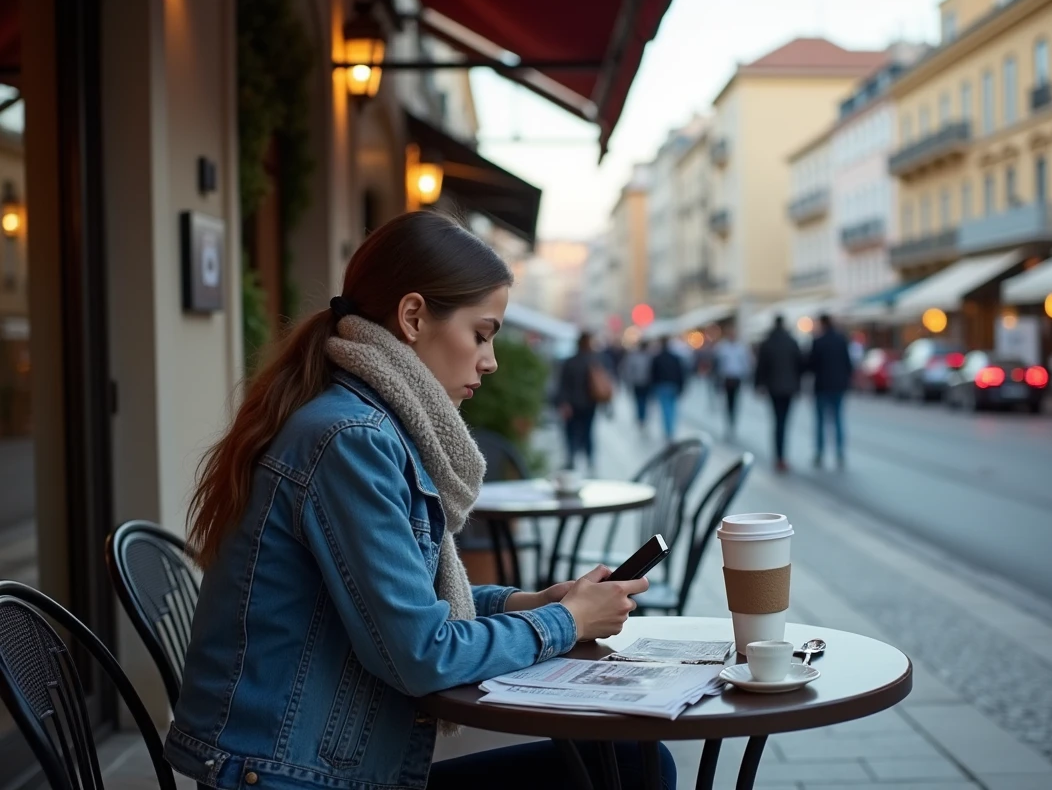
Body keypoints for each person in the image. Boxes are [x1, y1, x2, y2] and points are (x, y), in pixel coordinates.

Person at [166, 211, 672, 790]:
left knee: (634, 764)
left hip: (308, 766)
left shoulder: (359, 424)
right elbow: (421, 655)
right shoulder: (351, 440)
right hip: (291, 775)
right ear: (412, 317)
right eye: (481, 334)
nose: (491, 359)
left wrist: (530, 603)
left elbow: (405, 603)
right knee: (635, 771)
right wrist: (565, 620)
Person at [754, 315, 805, 473]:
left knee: (777, 422)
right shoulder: (792, 341)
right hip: (789, 388)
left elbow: (761, 367)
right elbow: (801, 365)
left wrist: (759, 385)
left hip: (773, 388)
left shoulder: (767, 343)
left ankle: (779, 456)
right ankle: (782, 456)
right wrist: (798, 386)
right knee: (784, 422)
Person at [806, 313, 854, 468]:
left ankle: (820, 452)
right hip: (838, 386)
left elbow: (811, 365)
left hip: (822, 387)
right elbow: (848, 364)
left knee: (820, 422)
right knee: (838, 420)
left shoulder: (818, 342)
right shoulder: (841, 341)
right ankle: (839, 452)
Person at [557, 332, 607, 472]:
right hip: (589, 404)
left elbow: (562, 384)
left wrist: (563, 402)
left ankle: (572, 458)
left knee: (571, 432)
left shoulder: (570, 361)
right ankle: (589, 460)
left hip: (572, 404)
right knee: (588, 431)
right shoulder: (594, 361)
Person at [712, 326, 754, 437]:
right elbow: (718, 363)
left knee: (734, 402)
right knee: (728, 401)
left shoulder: (741, 348)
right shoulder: (722, 347)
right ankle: (728, 422)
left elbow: (746, 364)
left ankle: (733, 422)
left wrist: (746, 376)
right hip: (726, 377)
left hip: (736, 378)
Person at [651, 337, 686, 440]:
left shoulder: (657, 358)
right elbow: (680, 373)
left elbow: (653, 374)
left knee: (665, 408)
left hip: (662, 386)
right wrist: (681, 386)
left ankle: (668, 429)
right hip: (672, 385)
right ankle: (670, 429)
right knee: (672, 408)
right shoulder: (675, 358)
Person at [621, 340, 655, 431]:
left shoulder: (634, 356)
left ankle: (641, 417)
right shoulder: (649, 357)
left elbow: (628, 370)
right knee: (642, 400)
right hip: (643, 383)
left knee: (640, 401)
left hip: (639, 383)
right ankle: (642, 417)